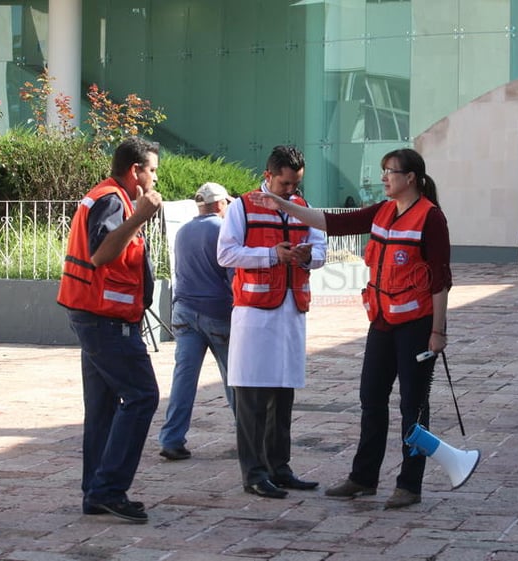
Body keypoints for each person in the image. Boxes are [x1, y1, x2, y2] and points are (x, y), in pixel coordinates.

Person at [249, 148, 451, 510]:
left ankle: (410, 484)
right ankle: (363, 478)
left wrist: (439, 331)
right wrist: (283, 204)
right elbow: (331, 222)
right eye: (384, 170)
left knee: (412, 406)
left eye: (391, 171)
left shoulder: (430, 218)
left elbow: (440, 280)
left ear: (411, 179)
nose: (384, 177)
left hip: (417, 326)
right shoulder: (383, 211)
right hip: (382, 321)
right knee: (371, 399)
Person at [57, 137, 162, 524]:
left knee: (102, 407)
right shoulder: (114, 200)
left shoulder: (107, 196)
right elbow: (102, 254)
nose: (154, 179)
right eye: (152, 170)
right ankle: (109, 489)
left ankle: (96, 491)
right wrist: (140, 216)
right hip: (105, 320)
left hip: (96, 315)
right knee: (141, 396)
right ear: (135, 171)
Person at [217, 145, 327, 499]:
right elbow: (226, 253)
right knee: (251, 395)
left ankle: (280, 467)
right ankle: (254, 472)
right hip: (254, 314)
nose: (291, 191)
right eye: (285, 184)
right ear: (268, 176)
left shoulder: (303, 209)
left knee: (283, 393)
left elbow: (321, 247)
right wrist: (271, 255)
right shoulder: (242, 207)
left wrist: (309, 257)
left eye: (295, 184)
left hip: (291, 311)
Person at [159, 182, 236, 461]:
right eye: (226, 203)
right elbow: (232, 277)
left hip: (184, 311)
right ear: (219, 205)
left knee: (183, 379)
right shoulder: (223, 230)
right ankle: (248, 437)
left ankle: (171, 439)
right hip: (217, 312)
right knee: (234, 379)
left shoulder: (183, 231)